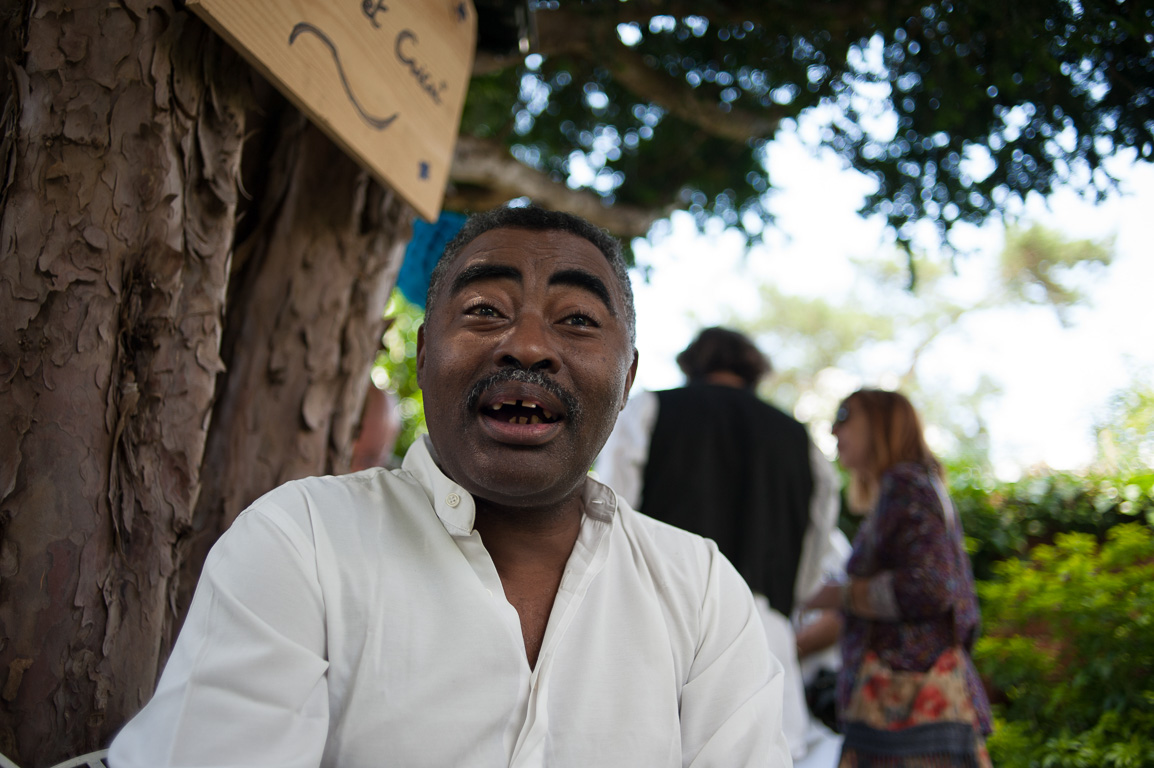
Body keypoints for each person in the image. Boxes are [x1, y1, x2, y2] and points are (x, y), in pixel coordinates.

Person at [108, 206, 791, 766]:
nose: (526, 345)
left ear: (629, 376)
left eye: (577, 320)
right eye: (485, 310)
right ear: (425, 352)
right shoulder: (302, 541)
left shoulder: (700, 589)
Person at [595, 326, 841, 761]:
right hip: (768, 640)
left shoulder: (651, 409)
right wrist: (786, 598)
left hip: (660, 625)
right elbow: (816, 543)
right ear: (753, 371)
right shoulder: (801, 441)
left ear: (693, 364)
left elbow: (612, 512)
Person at [807, 389, 992, 767]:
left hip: (905, 709)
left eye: (844, 415)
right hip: (909, 708)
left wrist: (841, 595)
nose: (833, 429)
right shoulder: (911, 486)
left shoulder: (905, 484)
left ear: (880, 424)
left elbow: (931, 586)